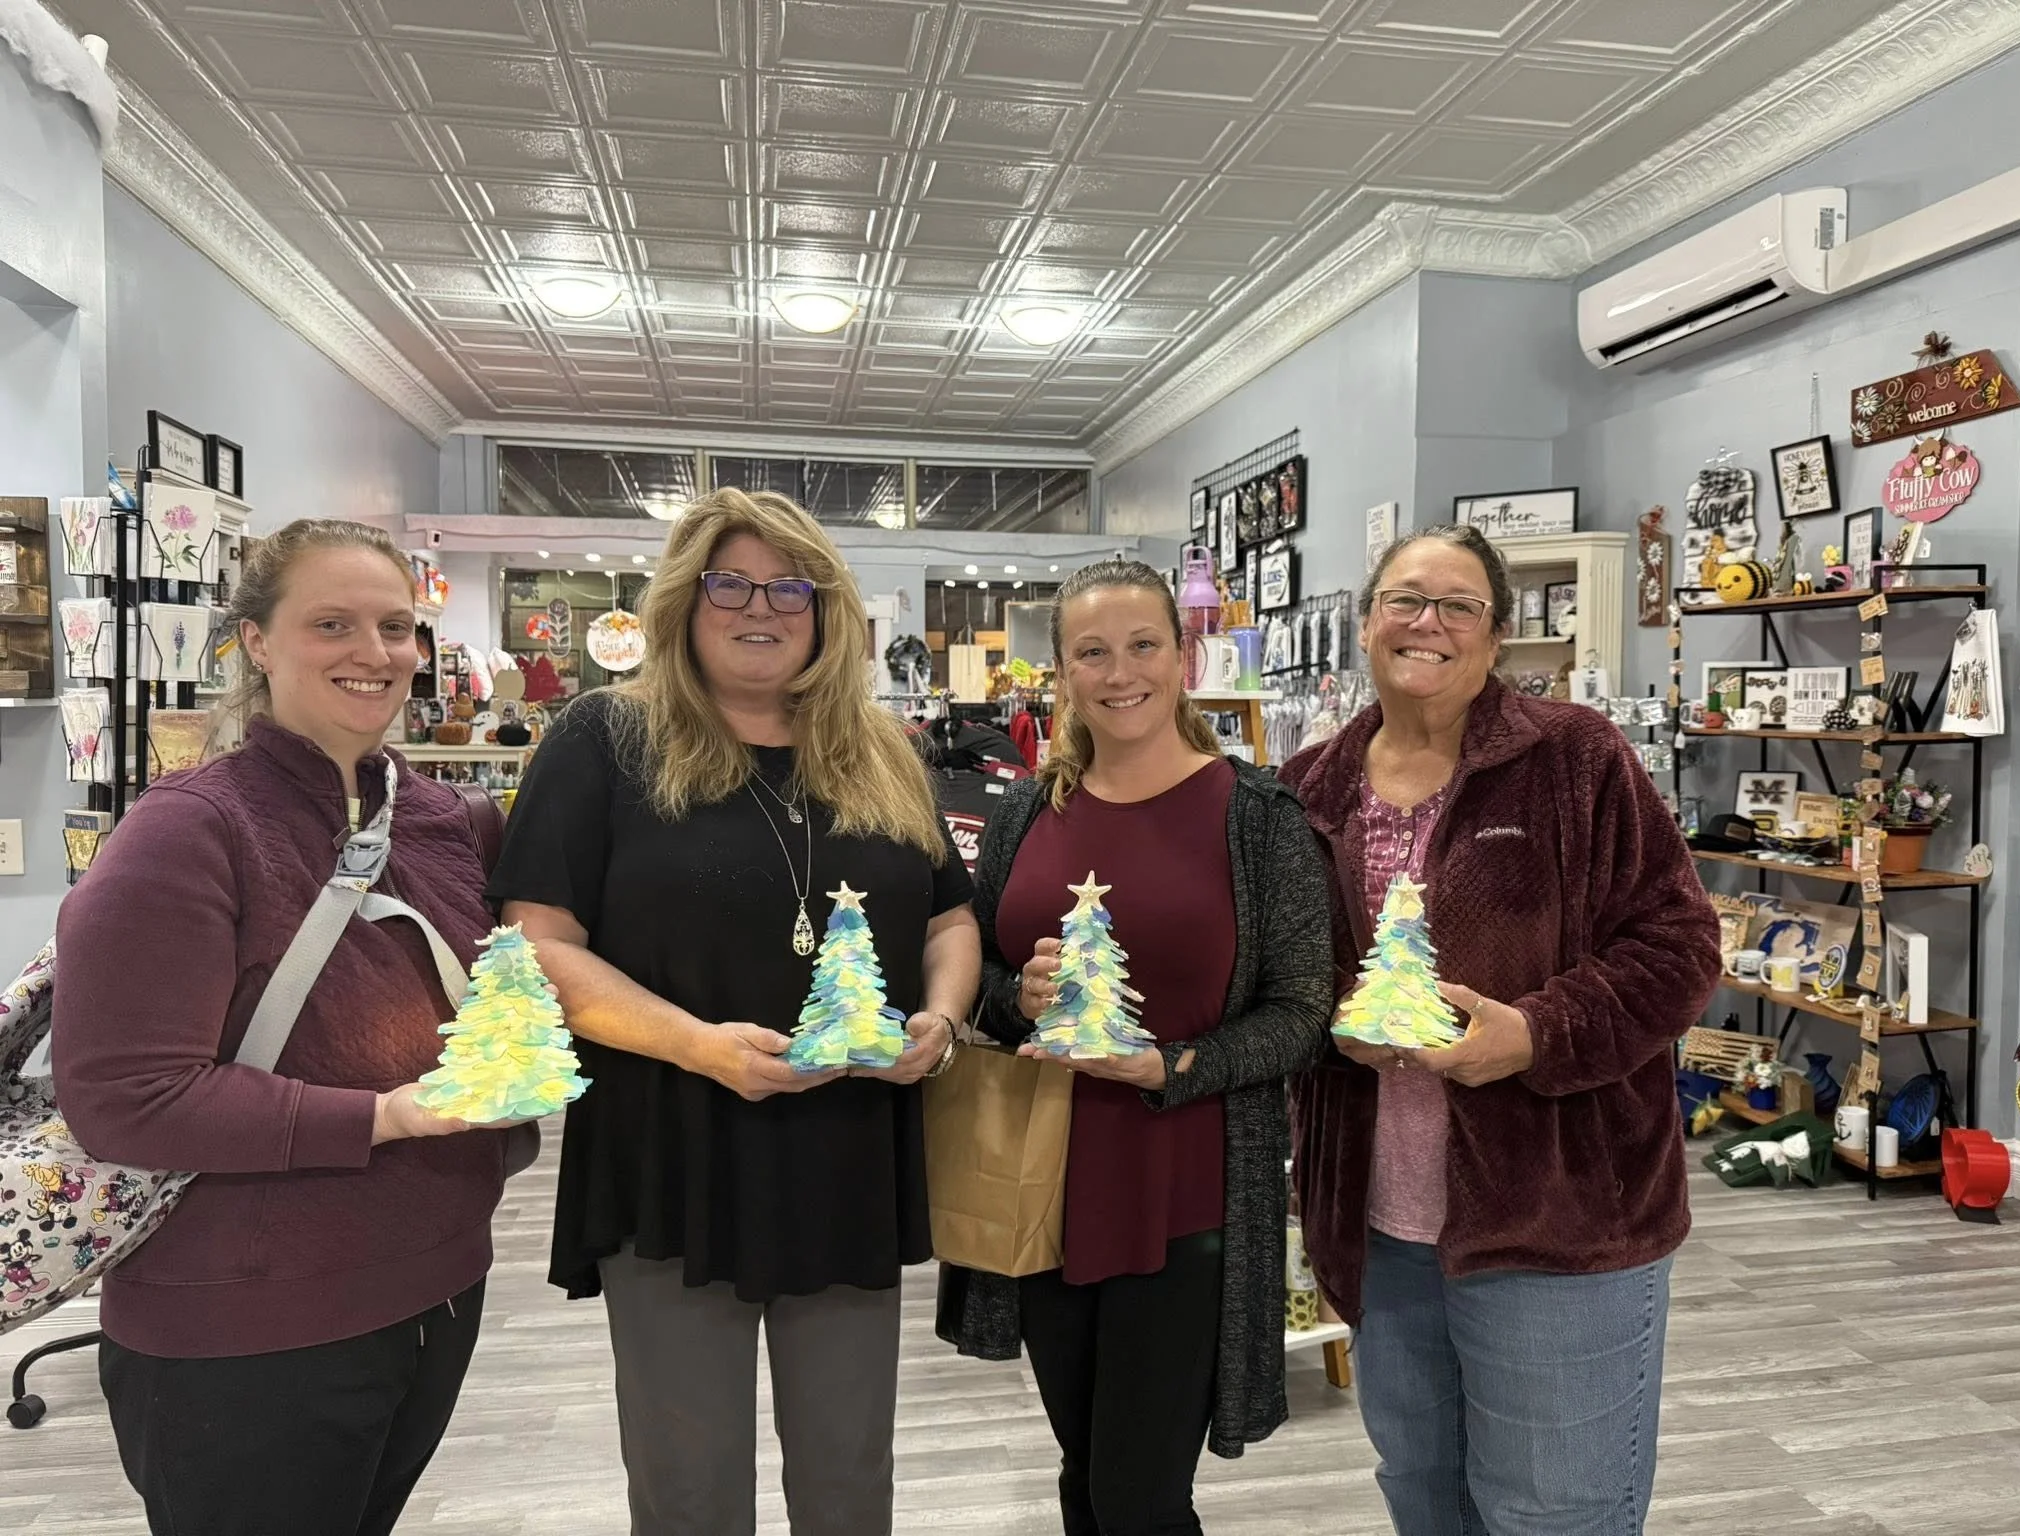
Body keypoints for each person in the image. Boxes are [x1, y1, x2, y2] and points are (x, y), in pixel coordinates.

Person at [494, 488, 979, 1536]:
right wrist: (697, 1046)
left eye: (789, 587)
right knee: (689, 1484)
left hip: (846, 1153)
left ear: (826, 609)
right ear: (683, 596)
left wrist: (938, 1024)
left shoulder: (878, 752)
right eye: (729, 582)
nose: (760, 607)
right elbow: (539, 941)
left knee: (850, 1475)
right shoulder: (605, 740)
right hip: (673, 1151)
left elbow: (946, 917)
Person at [53, 519, 523, 1536]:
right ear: (256, 642)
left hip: (436, 1290)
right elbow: (126, 1097)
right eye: (331, 624)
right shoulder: (190, 829)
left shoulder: (453, 823)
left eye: (396, 626)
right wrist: (392, 1116)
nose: (376, 653)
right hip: (243, 1328)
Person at [1279, 523, 1722, 1536]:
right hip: (1379, 1220)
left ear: (1495, 635)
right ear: (1363, 623)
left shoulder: (1572, 759)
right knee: (1423, 1494)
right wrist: (1325, 1027)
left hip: (1557, 1215)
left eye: (1457, 605)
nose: (1425, 623)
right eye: (1403, 599)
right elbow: (1281, 977)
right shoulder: (1308, 787)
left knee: (1552, 1513)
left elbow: (1679, 948)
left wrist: (1529, 1034)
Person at [942, 558, 1334, 1535]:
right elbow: (980, 985)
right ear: (1062, 671)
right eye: (1092, 652)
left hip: (1184, 1193)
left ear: (1182, 654)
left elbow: (1303, 1015)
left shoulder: (1256, 818)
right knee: (1084, 1475)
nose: (1120, 673)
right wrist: (1014, 996)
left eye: (1142, 645)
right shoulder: (1028, 811)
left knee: (1138, 1497)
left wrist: (1173, 1066)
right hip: (1039, 1188)